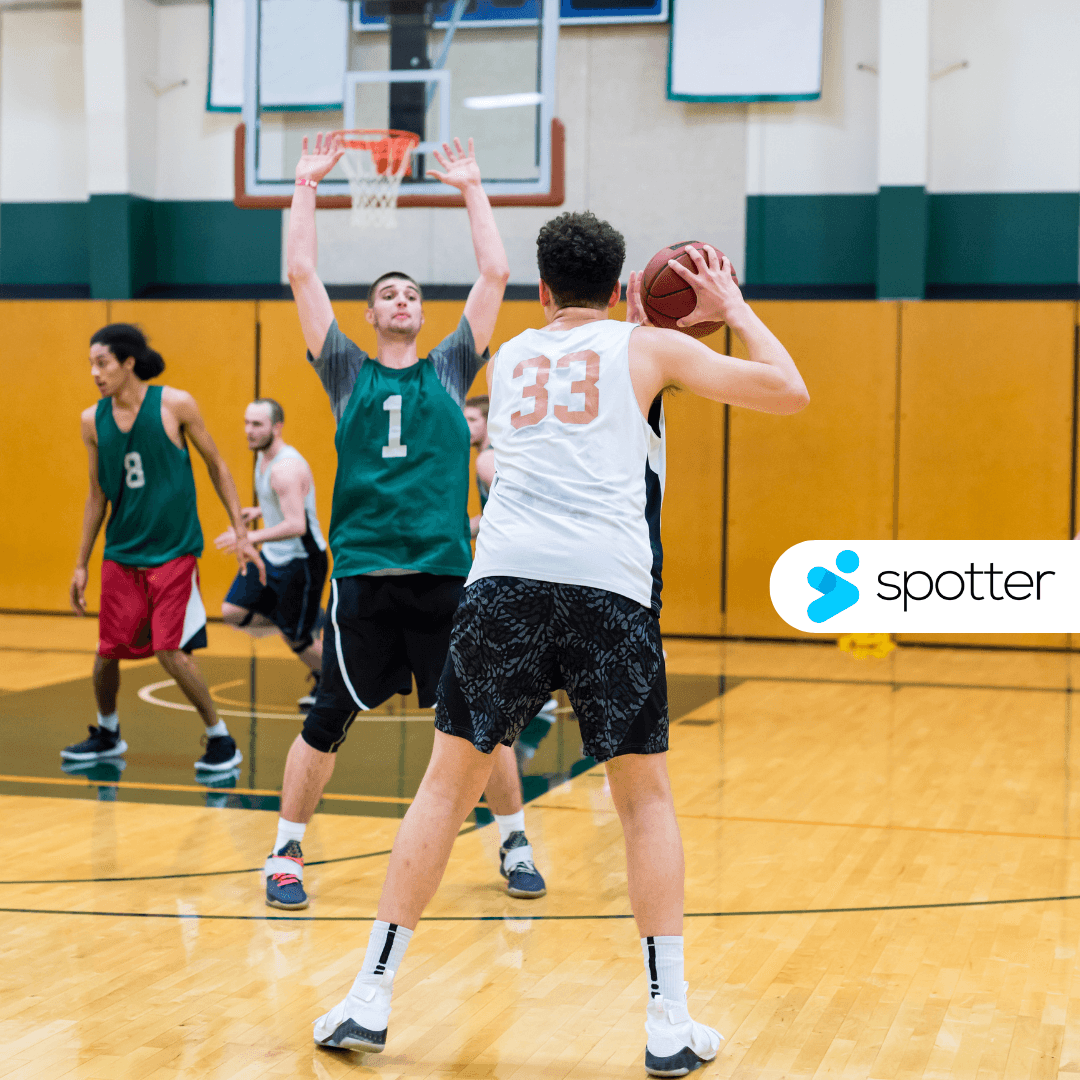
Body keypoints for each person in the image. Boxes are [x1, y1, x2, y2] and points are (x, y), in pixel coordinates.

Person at [311, 212, 809, 1076]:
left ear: (542, 290)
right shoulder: (646, 352)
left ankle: (369, 996)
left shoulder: (508, 361)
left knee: (442, 791)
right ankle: (668, 1021)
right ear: (620, 288)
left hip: (502, 584)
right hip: (608, 589)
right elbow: (787, 389)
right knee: (644, 801)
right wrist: (732, 304)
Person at [263, 133, 546, 912]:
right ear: (368, 313)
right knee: (327, 721)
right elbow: (299, 271)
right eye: (388, 294)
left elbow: (494, 272)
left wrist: (472, 187)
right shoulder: (344, 371)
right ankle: (285, 855)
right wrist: (305, 183)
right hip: (364, 578)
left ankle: (515, 842)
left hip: (444, 576)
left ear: (423, 313)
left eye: (411, 295)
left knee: (481, 725)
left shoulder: (451, 370)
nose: (401, 301)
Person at [63, 324, 264, 772]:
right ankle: (108, 732)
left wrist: (241, 531)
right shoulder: (91, 421)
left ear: (128, 362)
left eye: (103, 363)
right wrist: (81, 563)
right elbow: (98, 495)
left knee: (169, 650)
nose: (95, 373)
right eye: (92, 364)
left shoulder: (175, 404)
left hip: (174, 552)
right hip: (122, 553)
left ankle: (221, 740)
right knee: (107, 653)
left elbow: (217, 465)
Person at [216, 398, 328, 709]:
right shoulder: (263, 458)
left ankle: (331, 683)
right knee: (233, 612)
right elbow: (283, 509)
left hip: (301, 562)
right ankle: (308, 618)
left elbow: (296, 524)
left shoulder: (285, 469)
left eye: (257, 425)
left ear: (276, 427)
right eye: (246, 423)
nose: (248, 431)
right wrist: (261, 511)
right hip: (273, 556)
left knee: (298, 641)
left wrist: (249, 535)